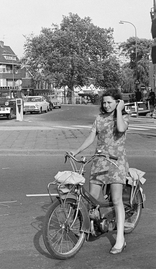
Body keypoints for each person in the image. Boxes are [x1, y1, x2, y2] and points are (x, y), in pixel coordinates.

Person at [70, 88, 129, 255]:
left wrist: (118, 110)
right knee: (91, 200)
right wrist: (77, 151)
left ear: (117, 102)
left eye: (110, 102)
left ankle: (120, 239)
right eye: (104, 102)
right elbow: (91, 136)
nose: (106, 105)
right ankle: (97, 223)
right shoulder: (99, 118)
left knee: (117, 200)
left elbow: (121, 128)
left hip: (117, 163)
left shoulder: (123, 116)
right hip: (99, 162)